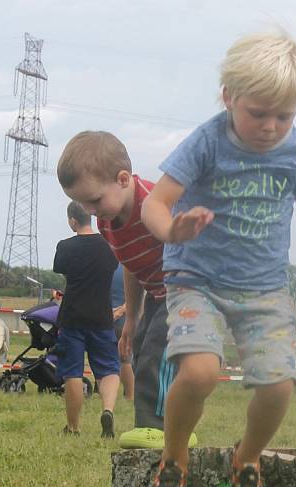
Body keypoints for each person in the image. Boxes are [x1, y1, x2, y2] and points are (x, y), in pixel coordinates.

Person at [140, 28, 296, 487]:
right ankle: (174, 457)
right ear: (228, 97)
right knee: (200, 372)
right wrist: (174, 230)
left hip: (265, 288)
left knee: (279, 384)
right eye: (259, 113)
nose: (272, 126)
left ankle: (247, 458)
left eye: (285, 115)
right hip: (197, 279)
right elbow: (154, 202)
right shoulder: (207, 141)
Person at [56, 132, 196, 449]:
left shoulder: (154, 204)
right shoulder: (108, 220)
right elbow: (132, 266)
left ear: (122, 180)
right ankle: (170, 425)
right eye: (83, 204)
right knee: (142, 347)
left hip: (189, 288)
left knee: (157, 353)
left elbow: (194, 247)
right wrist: (132, 319)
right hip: (160, 295)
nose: (91, 211)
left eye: (94, 200)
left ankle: (157, 430)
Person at [52, 201, 120, 437]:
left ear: (73, 220)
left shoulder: (66, 247)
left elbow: (62, 270)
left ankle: (73, 427)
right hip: (102, 315)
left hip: (73, 317)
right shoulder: (109, 247)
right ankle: (108, 410)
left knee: (72, 371)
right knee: (109, 368)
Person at [110, 263, 135, 400]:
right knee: (126, 359)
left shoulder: (105, 263)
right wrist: (120, 311)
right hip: (124, 318)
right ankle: (130, 395)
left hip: (104, 316)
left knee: (104, 357)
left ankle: (102, 391)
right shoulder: (127, 265)